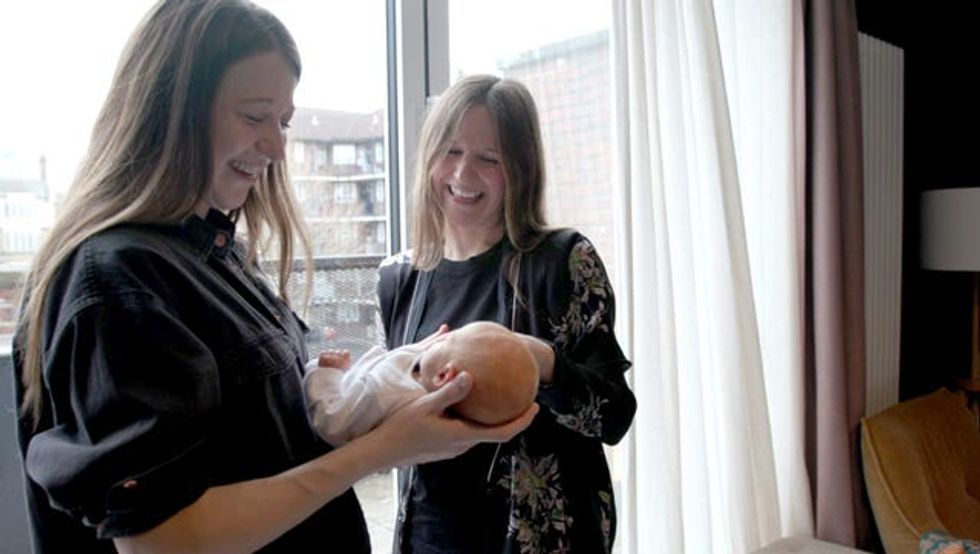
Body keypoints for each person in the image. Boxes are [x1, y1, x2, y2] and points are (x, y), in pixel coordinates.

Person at [11, 3, 536, 552]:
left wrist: (379, 391)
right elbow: (163, 542)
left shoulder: (216, 256)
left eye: (282, 122)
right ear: (171, 109)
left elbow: (265, 447)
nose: (278, 147)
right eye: (255, 117)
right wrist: (382, 451)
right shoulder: (120, 281)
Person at [376, 74, 638, 553]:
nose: (463, 174)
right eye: (451, 151)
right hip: (433, 537)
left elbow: (614, 416)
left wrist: (545, 363)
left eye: (489, 159)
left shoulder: (563, 261)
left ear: (520, 169)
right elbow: (390, 417)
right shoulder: (399, 278)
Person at [305, 320, 543, 445]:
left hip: (322, 406)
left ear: (444, 376)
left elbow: (332, 423)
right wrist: (423, 347)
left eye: (446, 341)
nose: (437, 340)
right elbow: (410, 360)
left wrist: (326, 372)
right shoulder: (425, 375)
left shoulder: (387, 396)